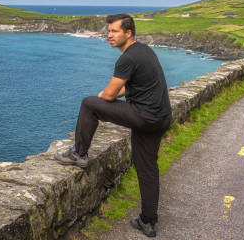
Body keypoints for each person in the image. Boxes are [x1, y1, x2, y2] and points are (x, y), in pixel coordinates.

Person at [54, 13, 172, 237]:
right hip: (161, 118)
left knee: (89, 104)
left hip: (144, 116)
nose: (108, 35)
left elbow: (108, 94)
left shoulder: (126, 58)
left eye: (114, 31)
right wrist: (113, 94)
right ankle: (148, 221)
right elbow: (136, 87)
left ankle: (78, 153)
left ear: (128, 33)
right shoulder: (144, 51)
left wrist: (104, 95)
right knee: (147, 169)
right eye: (108, 31)